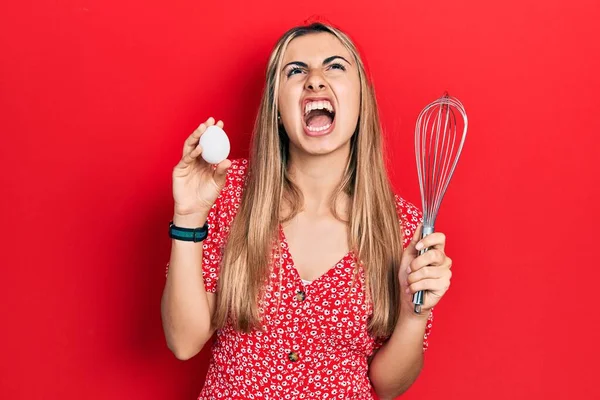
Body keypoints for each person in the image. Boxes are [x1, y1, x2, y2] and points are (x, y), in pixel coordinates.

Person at [161, 21, 453, 400]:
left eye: (334, 66)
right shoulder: (229, 193)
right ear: (277, 109)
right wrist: (188, 216)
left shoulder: (405, 228)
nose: (315, 80)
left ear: (361, 99)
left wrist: (416, 314)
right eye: (296, 71)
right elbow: (183, 342)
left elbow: (387, 386)